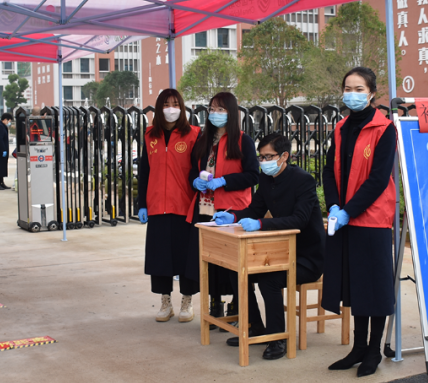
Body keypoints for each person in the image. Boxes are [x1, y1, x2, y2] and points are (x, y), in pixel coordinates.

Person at [212, 132, 325, 360]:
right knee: (238, 271)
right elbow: (255, 209)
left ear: (284, 156)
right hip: (280, 252)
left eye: (268, 157)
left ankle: (277, 338)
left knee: (269, 279)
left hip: (307, 257)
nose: (263, 162)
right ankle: (255, 326)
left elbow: (299, 220)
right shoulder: (266, 179)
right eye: (261, 157)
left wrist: (261, 224)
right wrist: (233, 217)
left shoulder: (303, 180)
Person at [321, 66, 398, 378]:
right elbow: (329, 170)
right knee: (355, 286)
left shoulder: (385, 129)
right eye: (347, 88)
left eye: (359, 89)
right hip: (345, 219)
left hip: (372, 219)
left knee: (374, 288)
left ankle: (373, 351)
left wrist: (349, 210)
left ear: (371, 93)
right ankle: (358, 347)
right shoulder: (340, 128)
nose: (351, 94)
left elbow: (378, 179)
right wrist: (334, 205)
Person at [186, 92, 259, 327]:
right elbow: (192, 168)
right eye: (212, 109)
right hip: (204, 208)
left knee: (233, 261)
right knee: (210, 260)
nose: (215, 114)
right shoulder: (203, 139)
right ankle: (215, 304)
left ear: (232, 112)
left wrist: (224, 181)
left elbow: (253, 175)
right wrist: (195, 181)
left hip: (231, 210)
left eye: (221, 109)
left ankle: (237, 305)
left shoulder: (243, 140)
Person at [137, 89, 199, 323]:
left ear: (181, 108)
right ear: (158, 108)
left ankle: (187, 301)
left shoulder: (193, 134)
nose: (171, 109)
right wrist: (142, 204)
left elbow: (198, 169)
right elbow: (145, 171)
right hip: (157, 207)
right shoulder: (150, 135)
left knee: (185, 256)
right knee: (160, 257)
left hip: (184, 206)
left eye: (175, 104)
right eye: (166, 104)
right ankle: (165, 302)